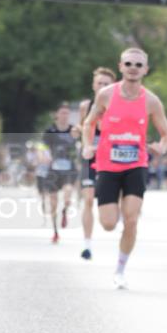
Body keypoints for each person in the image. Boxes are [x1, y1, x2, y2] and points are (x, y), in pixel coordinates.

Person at [81, 46, 167, 288]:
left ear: (145, 70)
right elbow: (89, 124)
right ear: (121, 67)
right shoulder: (106, 95)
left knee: (131, 220)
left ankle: (120, 270)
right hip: (108, 166)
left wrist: (161, 147)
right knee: (109, 223)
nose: (133, 68)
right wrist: (87, 145)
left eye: (138, 65)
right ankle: (117, 211)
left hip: (136, 164)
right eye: (129, 64)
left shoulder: (151, 101)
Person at [75, 67, 116, 260]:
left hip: (111, 158)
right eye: (99, 83)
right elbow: (84, 126)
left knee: (108, 204)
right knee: (89, 200)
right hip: (90, 158)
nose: (102, 87)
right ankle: (87, 244)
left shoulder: (117, 105)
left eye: (106, 84)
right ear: (93, 85)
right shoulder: (86, 106)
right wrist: (83, 141)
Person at [43, 103, 79, 243]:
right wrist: (45, 155)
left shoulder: (73, 130)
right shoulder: (50, 131)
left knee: (68, 193)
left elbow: (81, 142)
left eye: (67, 113)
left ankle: (65, 210)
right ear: (56, 115)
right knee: (53, 203)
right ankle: (55, 231)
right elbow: (43, 147)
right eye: (62, 113)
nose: (65, 116)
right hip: (53, 169)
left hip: (69, 169)